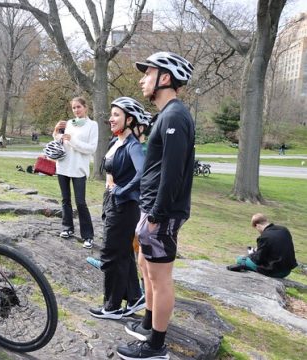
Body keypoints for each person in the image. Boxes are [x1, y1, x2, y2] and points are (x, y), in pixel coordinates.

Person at [117, 51, 195, 360]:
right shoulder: (165, 116)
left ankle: (155, 346)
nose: (141, 79)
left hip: (161, 213)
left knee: (161, 279)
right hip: (149, 208)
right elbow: (155, 168)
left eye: (147, 74)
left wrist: (157, 215)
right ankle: (149, 323)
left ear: (164, 78)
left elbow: (173, 173)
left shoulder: (175, 116)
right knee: (145, 268)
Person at [88, 97, 147, 320]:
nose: (111, 119)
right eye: (111, 114)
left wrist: (122, 191)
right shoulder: (116, 142)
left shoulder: (133, 145)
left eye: (116, 115)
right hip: (113, 204)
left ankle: (111, 306)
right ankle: (134, 297)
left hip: (125, 207)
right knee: (122, 253)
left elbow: (142, 174)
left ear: (129, 119)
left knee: (111, 254)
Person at [52, 97, 98, 248]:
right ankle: (67, 228)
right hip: (63, 166)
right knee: (65, 200)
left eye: (78, 107)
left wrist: (72, 140)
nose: (76, 110)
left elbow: (91, 148)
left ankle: (88, 236)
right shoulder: (69, 123)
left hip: (79, 169)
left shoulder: (93, 125)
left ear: (85, 107)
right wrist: (56, 132)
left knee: (80, 202)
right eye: (73, 108)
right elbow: (60, 140)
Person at [227, 213, 297, 278]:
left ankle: (246, 267)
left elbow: (258, 260)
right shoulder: (284, 230)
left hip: (275, 272)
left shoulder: (264, 237)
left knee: (240, 259)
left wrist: (252, 254)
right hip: (287, 271)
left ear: (257, 225)